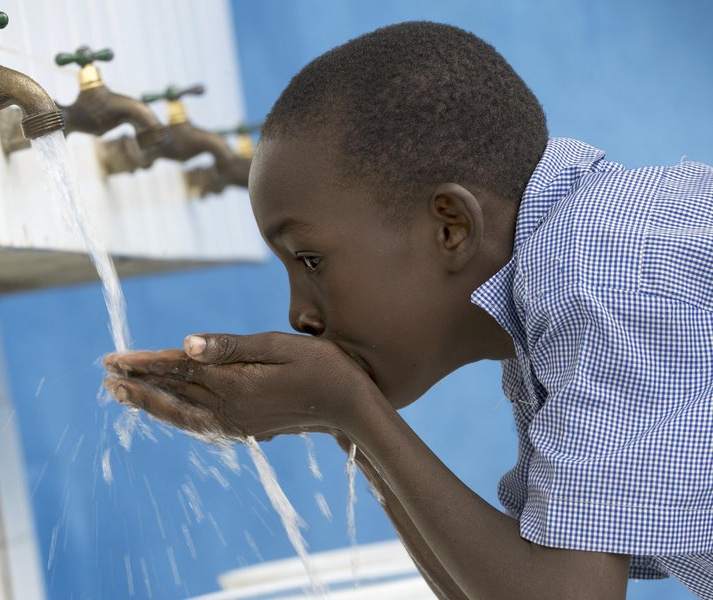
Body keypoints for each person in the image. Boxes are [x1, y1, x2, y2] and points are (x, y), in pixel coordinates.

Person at [104, 22, 713, 599]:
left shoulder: (607, 277)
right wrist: (343, 417)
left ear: (451, 227)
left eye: (310, 259)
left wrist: (353, 406)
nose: (298, 315)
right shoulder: (555, 289)